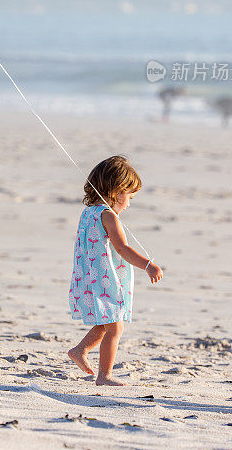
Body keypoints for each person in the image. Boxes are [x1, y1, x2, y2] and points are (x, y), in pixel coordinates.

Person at [67, 155, 163, 386]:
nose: (129, 203)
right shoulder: (107, 215)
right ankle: (104, 375)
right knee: (115, 326)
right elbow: (123, 249)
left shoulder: (88, 213)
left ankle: (80, 350)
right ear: (115, 190)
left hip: (87, 276)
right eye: (129, 197)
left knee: (107, 322)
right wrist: (148, 265)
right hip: (103, 278)